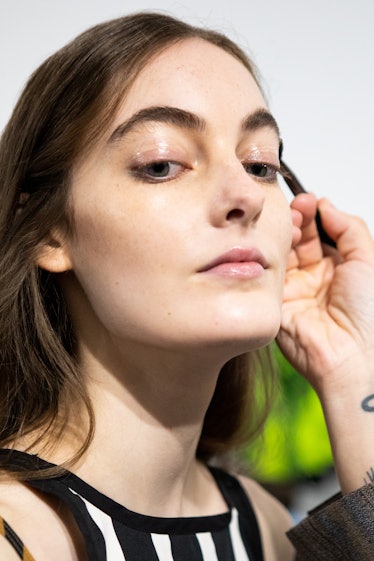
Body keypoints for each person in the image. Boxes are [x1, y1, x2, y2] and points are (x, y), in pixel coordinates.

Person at [0, 11, 373, 561]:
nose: (242, 193)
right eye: (162, 164)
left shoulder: (267, 529)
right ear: (50, 232)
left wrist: (348, 370)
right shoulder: (18, 536)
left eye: (260, 163)